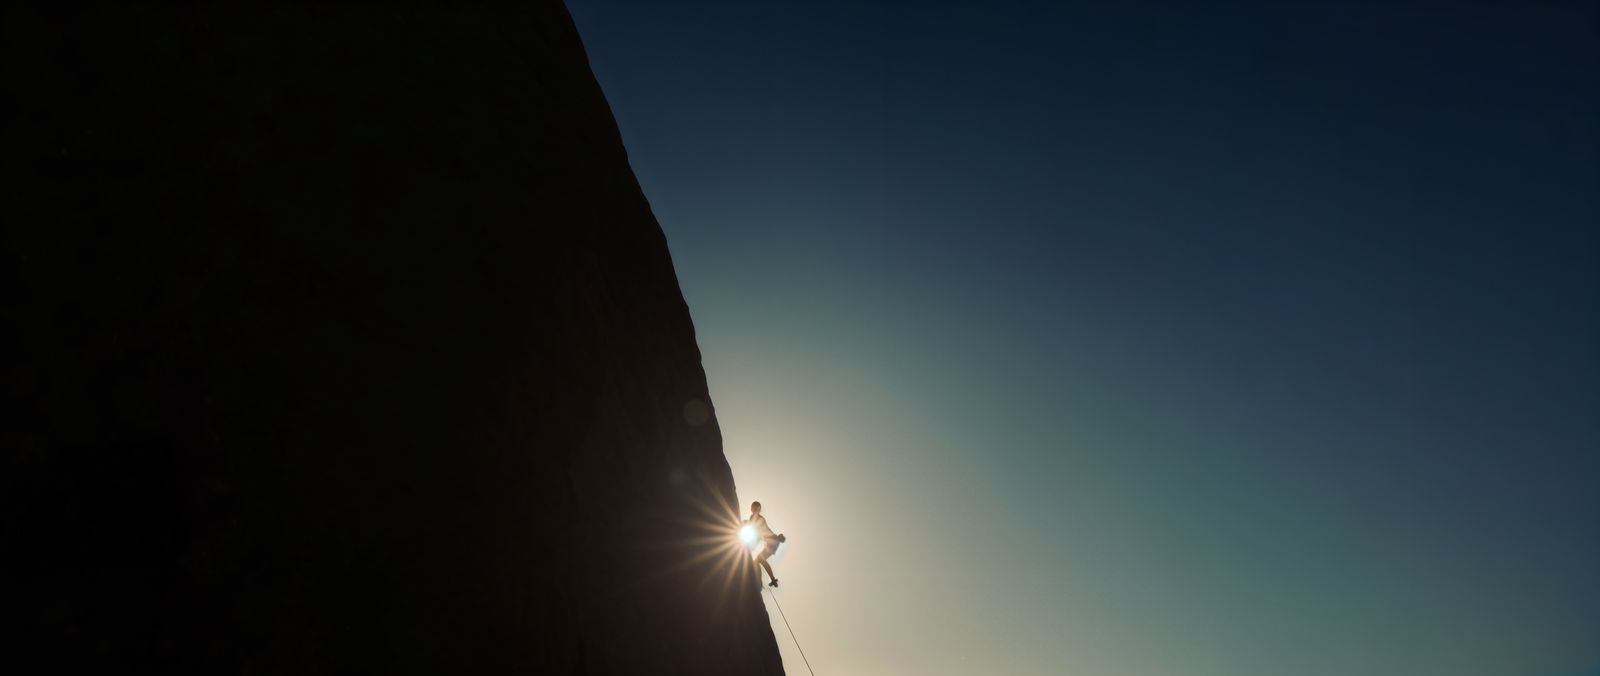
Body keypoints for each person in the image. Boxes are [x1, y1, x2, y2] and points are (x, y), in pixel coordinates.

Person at [744, 501, 784, 588]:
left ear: (759, 510)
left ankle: (762, 581)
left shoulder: (759, 519)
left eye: (756, 508)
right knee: (758, 560)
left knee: (759, 559)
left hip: (773, 542)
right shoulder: (753, 518)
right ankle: (772, 580)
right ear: (751, 509)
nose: (754, 510)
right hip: (771, 541)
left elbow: (757, 533)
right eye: (753, 508)